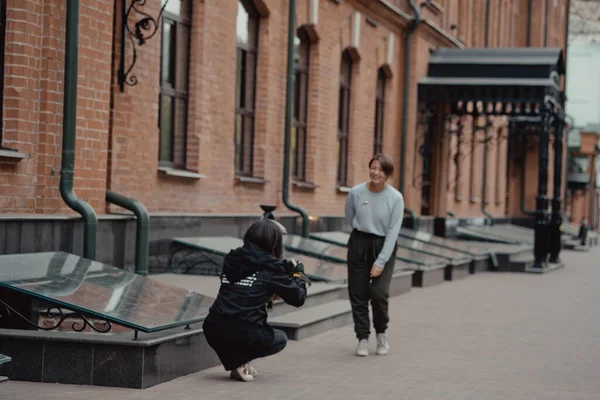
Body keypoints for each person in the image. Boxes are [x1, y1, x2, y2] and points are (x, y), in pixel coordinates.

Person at [202, 220, 311, 382]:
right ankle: (240, 362)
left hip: (212, 327)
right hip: (244, 332)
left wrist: (281, 271)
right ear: (274, 241)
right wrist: (297, 275)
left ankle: (237, 363)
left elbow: (253, 274)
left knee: (238, 328)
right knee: (280, 338)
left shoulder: (232, 259)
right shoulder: (270, 267)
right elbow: (298, 298)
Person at [344, 153, 404, 357]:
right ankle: (362, 338)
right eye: (373, 167)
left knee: (379, 294)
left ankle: (381, 332)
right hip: (359, 243)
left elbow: (393, 232)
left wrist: (381, 261)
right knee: (358, 294)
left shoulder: (395, 198)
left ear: (387, 174)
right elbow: (350, 218)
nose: (375, 172)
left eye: (381, 169)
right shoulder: (356, 192)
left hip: (383, 245)